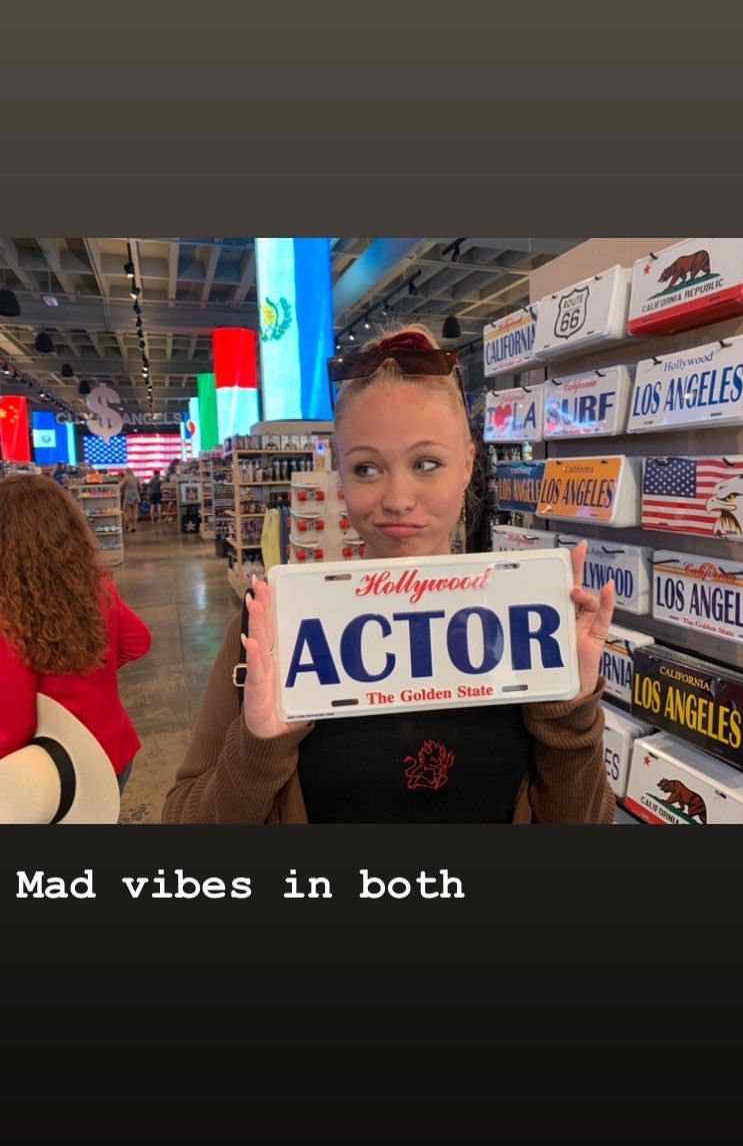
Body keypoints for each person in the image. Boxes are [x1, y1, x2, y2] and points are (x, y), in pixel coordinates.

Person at [163, 327, 616, 824]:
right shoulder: (272, 630)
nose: (398, 499)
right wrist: (257, 748)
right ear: (339, 471)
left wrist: (570, 715)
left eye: (426, 463)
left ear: (468, 465)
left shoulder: (529, 625)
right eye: (366, 469)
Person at [0, 473, 152, 797]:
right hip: (113, 751)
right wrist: (90, 662)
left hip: (58, 773)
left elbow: (12, 731)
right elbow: (138, 641)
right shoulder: (96, 588)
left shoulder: (11, 617)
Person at [121, 468, 141, 533]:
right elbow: (140, 487)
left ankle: (127, 524)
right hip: (135, 495)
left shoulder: (126, 478)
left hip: (128, 495)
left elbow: (120, 486)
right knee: (134, 512)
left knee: (125, 511)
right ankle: (134, 527)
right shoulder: (136, 478)